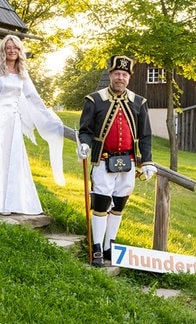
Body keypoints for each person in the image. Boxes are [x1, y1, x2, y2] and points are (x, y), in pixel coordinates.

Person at [0, 35, 65, 215]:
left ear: (20, 51)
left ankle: (10, 202)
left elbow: (33, 98)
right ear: (3, 50)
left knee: (12, 160)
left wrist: (49, 117)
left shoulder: (22, 73)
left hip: (13, 120)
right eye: (8, 47)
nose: (12, 50)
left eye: (15, 48)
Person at [77, 55, 157, 267]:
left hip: (128, 162)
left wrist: (147, 161)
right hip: (103, 161)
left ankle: (108, 246)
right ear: (110, 75)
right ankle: (96, 249)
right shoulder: (94, 100)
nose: (120, 78)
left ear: (128, 78)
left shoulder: (139, 103)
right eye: (116, 74)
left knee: (119, 203)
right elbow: (85, 130)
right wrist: (84, 144)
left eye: (124, 74)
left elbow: (145, 135)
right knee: (101, 203)